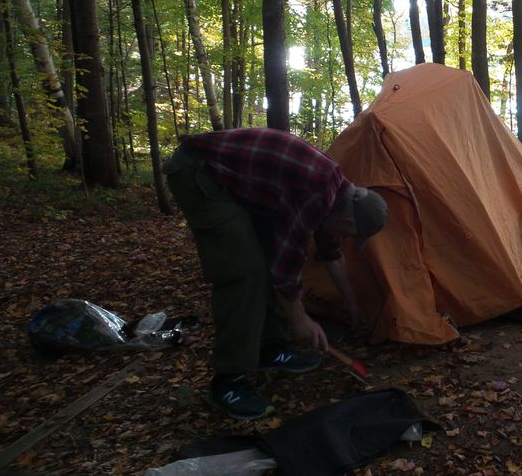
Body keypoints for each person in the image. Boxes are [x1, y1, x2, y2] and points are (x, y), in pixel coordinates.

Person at [163, 127, 388, 419]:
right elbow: (286, 267)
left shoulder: (339, 197)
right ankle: (228, 380)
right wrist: (299, 320)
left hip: (235, 184)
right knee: (245, 271)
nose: (347, 238)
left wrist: (353, 306)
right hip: (200, 173)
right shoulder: (316, 192)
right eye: (351, 233)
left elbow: (332, 255)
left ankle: (270, 348)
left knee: (266, 256)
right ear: (346, 219)